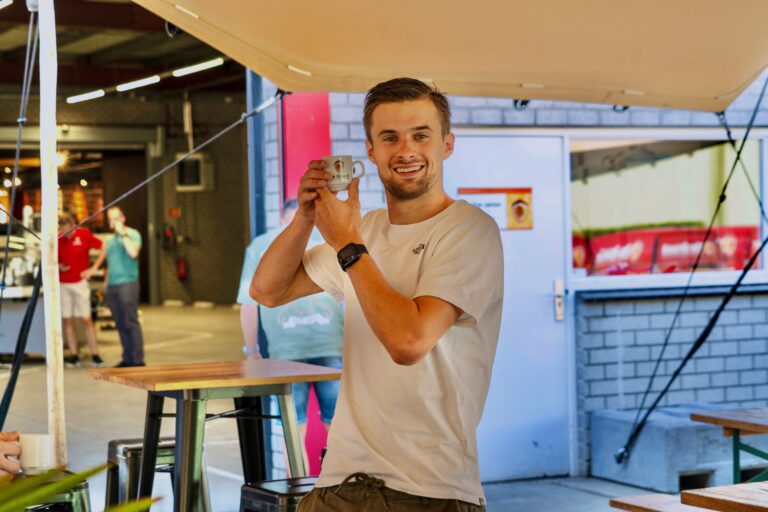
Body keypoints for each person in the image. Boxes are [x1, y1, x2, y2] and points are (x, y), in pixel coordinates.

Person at [251, 78, 504, 511]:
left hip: (428, 489)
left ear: (447, 144)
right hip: (339, 484)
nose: (405, 151)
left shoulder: (470, 230)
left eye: (420, 135)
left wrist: (348, 246)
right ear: (371, 151)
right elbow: (268, 290)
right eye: (390, 138)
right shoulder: (365, 231)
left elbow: (409, 342)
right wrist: (306, 217)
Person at [237, 199, 343, 449]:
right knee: (339, 426)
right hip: (330, 345)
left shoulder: (262, 246)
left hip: (285, 352)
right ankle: (340, 485)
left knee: (293, 429)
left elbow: (249, 303)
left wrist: (252, 351)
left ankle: (296, 486)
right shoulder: (331, 241)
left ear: (284, 218)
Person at [84, 206, 145, 367]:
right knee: (119, 322)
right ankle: (127, 358)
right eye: (110, 219)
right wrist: (105, 284)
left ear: (123, 218)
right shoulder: (109, 241)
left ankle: (138, 360)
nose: (113, 222)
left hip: (128, 284)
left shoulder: (132, 234)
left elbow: (133, 253)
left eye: (116, 218)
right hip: (112, 286)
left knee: (130, 321)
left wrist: (122, 233)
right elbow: (108, 264)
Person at [57, 212, 105, 368]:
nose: (66, 234)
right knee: (68, 320)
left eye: (68, 230)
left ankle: (95, 354)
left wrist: (94, 268)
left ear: (73, 225)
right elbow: (49, 259)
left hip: (80, 283)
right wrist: (59, 266)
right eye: (63, 231)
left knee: (86, 319)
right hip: (63, 284)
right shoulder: (58, 238)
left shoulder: (83, 234)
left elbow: (103, 247)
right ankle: (74, 355)